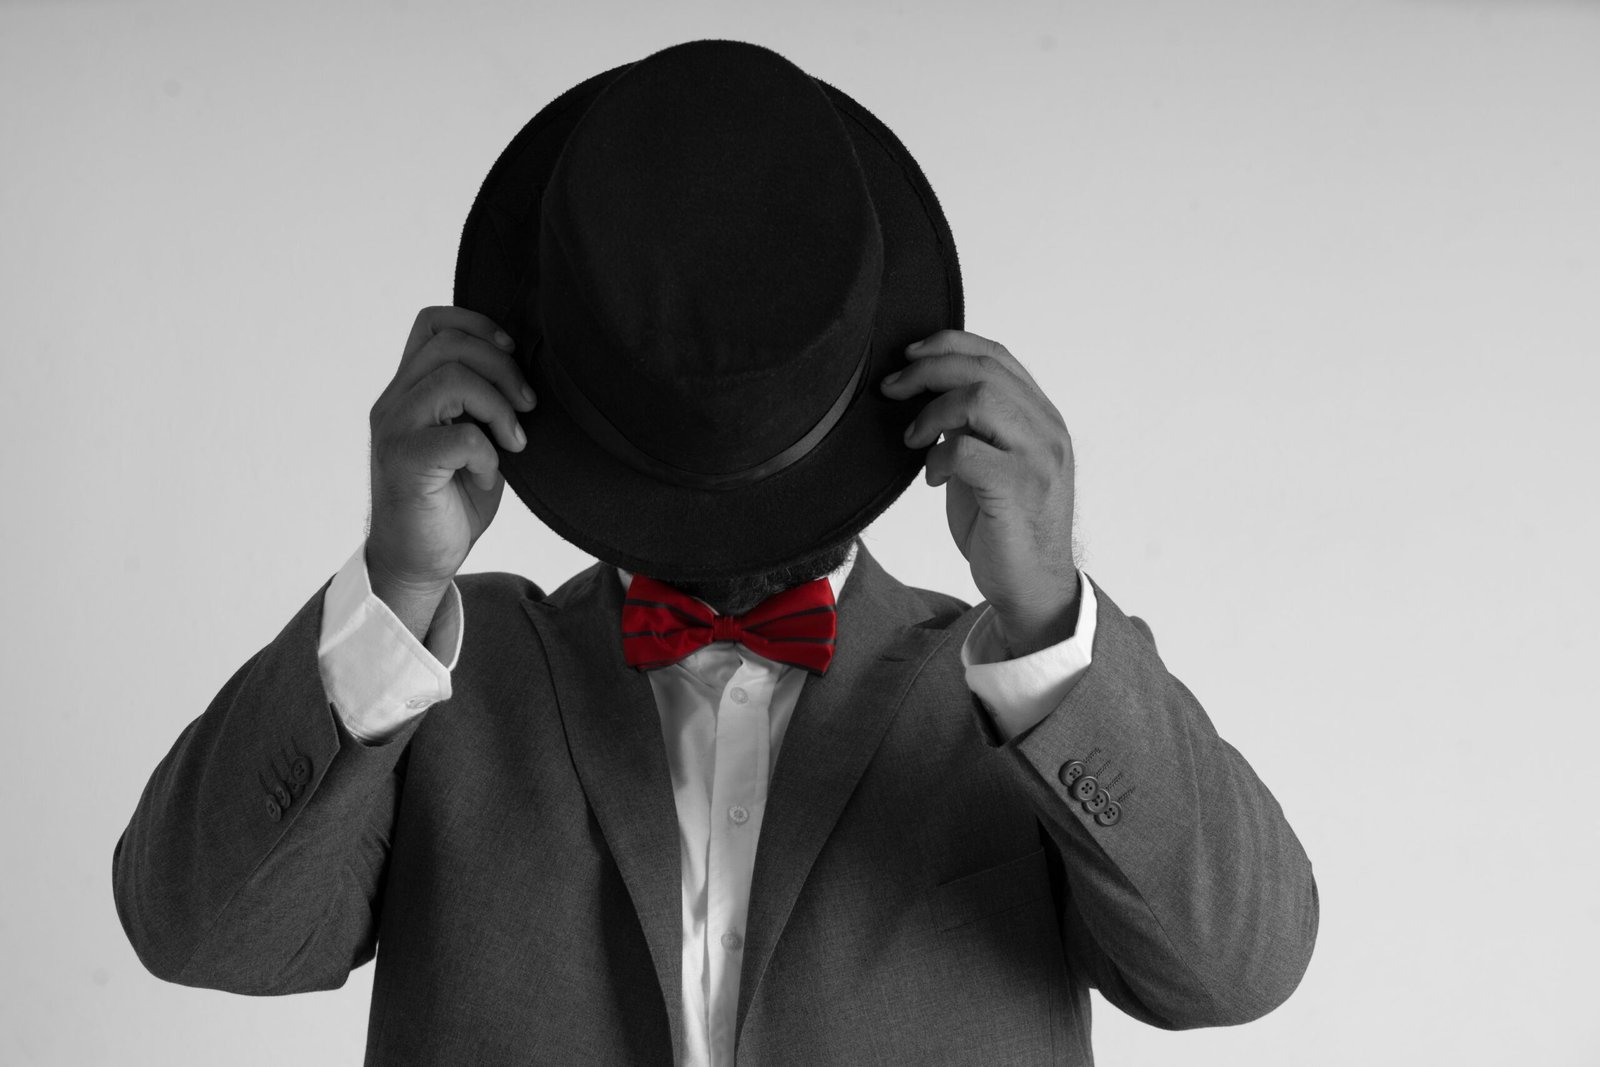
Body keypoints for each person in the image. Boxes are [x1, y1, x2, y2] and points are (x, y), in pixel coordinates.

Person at [112, 38, 1317, 1067]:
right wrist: (395, 581)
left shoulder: (1010, 693)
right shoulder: (444, 677)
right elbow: (195, 928)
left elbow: (1237, 966)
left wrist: (1052, 615)